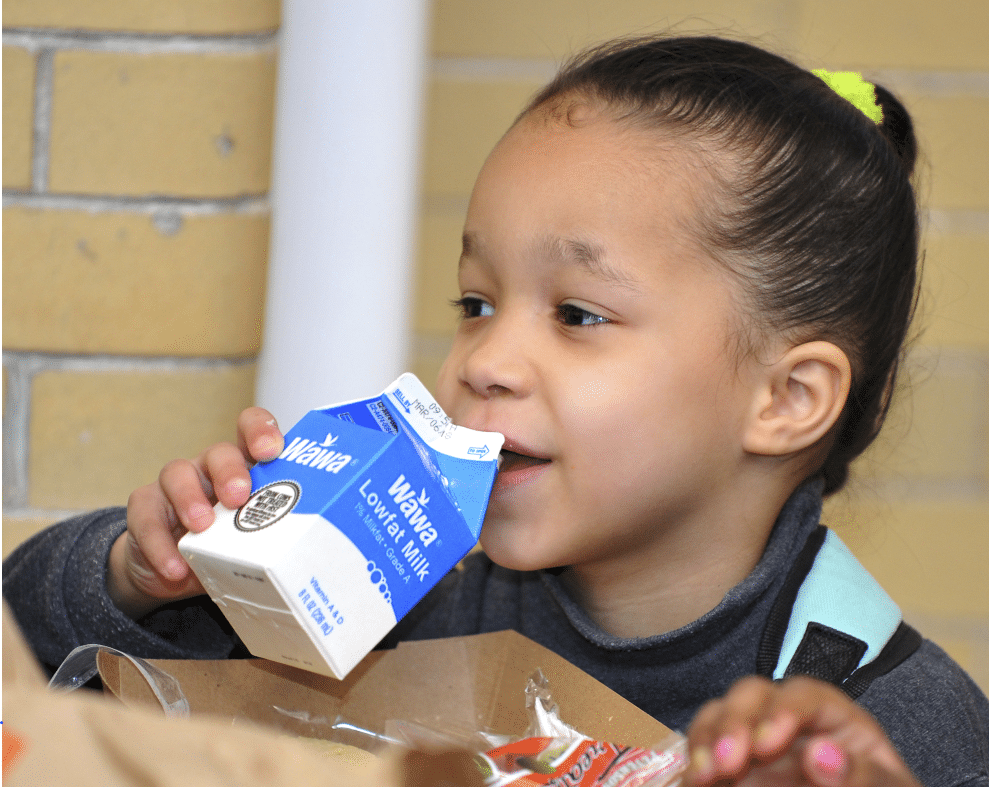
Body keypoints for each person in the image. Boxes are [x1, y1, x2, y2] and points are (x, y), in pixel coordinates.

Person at [4, 35, 987, 787]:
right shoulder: (397, 593)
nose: (486, 361)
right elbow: (36, 664)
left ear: (786, 397)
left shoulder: (891, 720)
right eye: (474, 303)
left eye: (576, 313)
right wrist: (144, 580)